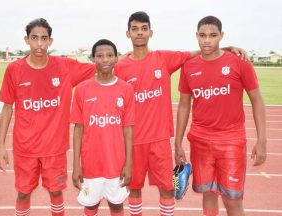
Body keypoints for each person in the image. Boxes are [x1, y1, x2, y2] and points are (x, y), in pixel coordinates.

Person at [114, 11, 249, 216]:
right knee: (133, 188)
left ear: (151, 32)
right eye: (135, 29)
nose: (139, 33)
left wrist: (226, 48)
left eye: (144, 29)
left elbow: (198, 52)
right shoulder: (120, 65)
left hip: (159, 139)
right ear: (127, 33)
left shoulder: (164, 58)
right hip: (132, 139)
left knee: (168, 189)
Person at [0, 18, 96, 216]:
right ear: (27, 40)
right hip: (25, 148)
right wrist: (0, 146)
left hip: (55, 149)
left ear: (51, 41)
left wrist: (132, 57)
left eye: (44, 38)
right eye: (34, 38)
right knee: (23, 194)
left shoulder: (65, 67)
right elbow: (7, 108)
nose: (39, 44)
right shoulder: (14, 70)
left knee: (56, 192)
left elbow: (103, 65)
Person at [174, 16, 267, 216]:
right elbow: (183, 105)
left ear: (221, 36)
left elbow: (257, 100)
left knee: (232, 199)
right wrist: (178, 143)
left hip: (231, 141)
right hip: (200, 141)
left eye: (213, 35)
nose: (207, 40)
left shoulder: (239, 62)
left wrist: (262, 140)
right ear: (196, 36)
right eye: (202, 35)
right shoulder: (189, 67)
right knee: (208, 193)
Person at [70, 39, 135, 216]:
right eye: (99, 56)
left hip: (116, 164)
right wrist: (76, 165)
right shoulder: (82, 89)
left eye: (109, 55)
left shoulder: (126, 89)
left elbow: (128, 129)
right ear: (92, 59)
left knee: (116, 205)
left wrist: (128, 163)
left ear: (116, 59)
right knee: (90, 206)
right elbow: (78, 129)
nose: (105, 59)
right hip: (90, 164)